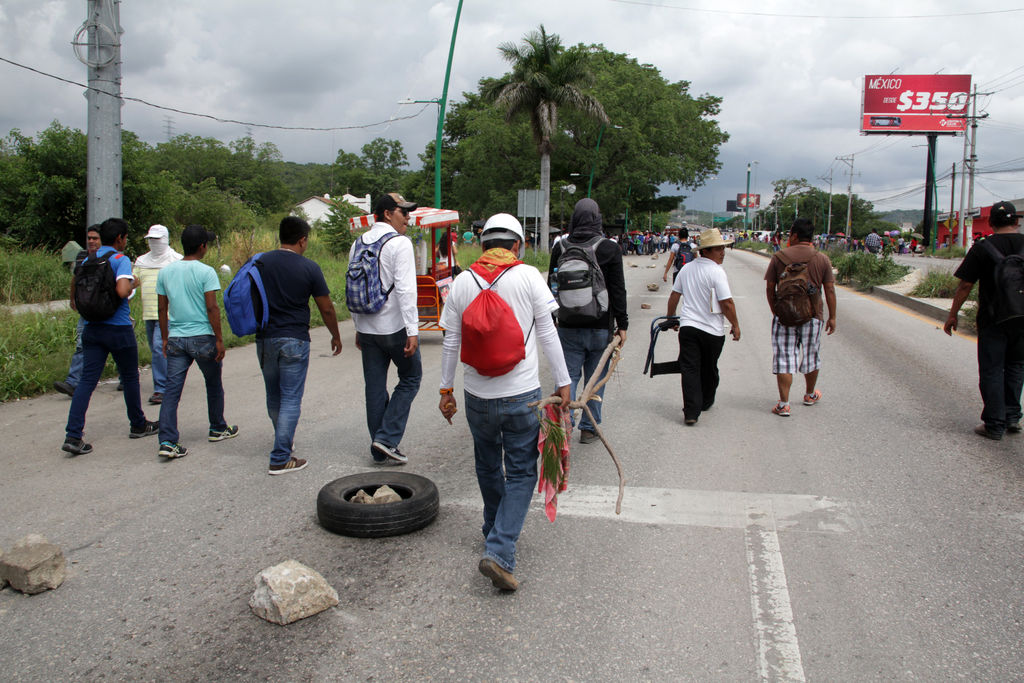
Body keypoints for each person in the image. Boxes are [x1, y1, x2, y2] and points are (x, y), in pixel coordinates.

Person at [438, 213, 571, 591]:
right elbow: (547, 332)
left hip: (477, 397)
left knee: (487, 464)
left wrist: (446, 391)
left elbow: (450, 342)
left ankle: (493, 528)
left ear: (483, 246)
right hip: (521, 397)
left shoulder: (462, 282)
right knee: (522, 472)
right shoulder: (529, 276)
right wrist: (563, 382)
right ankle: (499, 548)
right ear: (517, 245)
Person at [62, 218, 159, 455]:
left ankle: (73, 435)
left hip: (92, 328)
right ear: (119, 239)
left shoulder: (87, 260)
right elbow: (122, 291)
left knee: (86, 381)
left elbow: (75, 291)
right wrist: (133, 283)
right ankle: (137, 424)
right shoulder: (119, 259)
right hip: (118, 329)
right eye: (125, 238)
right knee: (129, 377)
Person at [257, 216, 342, 474]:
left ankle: (283, 440)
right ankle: (281, 456)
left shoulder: (260, 263)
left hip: (265, 338)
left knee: (274, 395)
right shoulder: (309, 268)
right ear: (303, 240)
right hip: (294, 338)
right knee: (291, 398)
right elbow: (326, 308)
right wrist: (336, 335)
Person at [155, 225, 238, 459]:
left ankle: (168, 441)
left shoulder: (166, 272)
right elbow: (212, 307)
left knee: (172, 391)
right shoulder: (206, 272)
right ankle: (217, 427)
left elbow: (162, 308)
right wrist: (219, 339)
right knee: (213, 383)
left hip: (176, 338)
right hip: (202, 337)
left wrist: (164, 337)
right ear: (202, 246)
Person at [350, 193, 421, 465]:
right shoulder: (399, 243)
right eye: (403, 212)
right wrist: (412, 330)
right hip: (394, 329)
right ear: (388, 214)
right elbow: (405, 289)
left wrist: (357, 326)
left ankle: (378, 447)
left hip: (367, 328)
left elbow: (353, 287)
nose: (408, 218)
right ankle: (387, 438)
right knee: (412, 377)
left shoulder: (357, 243)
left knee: (375, 387)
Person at [549, 198, 628, 443]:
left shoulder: (560, 247)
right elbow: (617, 290)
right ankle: (589, 427)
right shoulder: (609, 248)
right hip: (600, 326)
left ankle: (563, 424)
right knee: (595, 379)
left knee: (568, 377)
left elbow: (551, 286)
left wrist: (554, 316)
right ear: (597, 219)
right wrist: (622, 325)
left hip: (568, 325)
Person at [944, 201, 1024, 440]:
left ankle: (994, 423)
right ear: (1016, 222)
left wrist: (952, 314)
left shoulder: (982, 247)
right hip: (1023, 319)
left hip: (993, 318)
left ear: (990, 223)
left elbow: (966, 284)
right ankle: (1012, 416)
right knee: (1016, 366)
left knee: (992, 369)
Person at [666, 228, 741, 425]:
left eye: (723, 249)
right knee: (708, 368)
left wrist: (671, 317)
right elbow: (727, 303)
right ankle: (704, 402)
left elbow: (675, 295)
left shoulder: (686, 269)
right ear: (706, 251)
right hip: (712, 332)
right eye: (718, 249)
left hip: (689, 328)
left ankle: (692, 410)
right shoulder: (716, 271)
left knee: (690, 370)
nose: (722, 253)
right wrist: (735, 324)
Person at [765, 218, 838, 417]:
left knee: (784, 357)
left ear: (795, 235)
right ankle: (809, 394)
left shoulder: (778, 257)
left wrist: (777, 311)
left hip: (784, 316)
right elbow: (829, 290)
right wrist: (832, 317)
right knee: (811, 354)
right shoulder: (821, 259)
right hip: (812, 316)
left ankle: (784, 404)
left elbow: (770, 288)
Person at [133, 224, 183, 405]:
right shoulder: (141, 261)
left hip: (168, 314)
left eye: (157, 239)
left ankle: (161, 389)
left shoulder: (176, 260)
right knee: (160, 350)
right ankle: (171, 379)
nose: (154, 243)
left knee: (157, 347)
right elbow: (134, 282)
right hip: (149, 313)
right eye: (150, 240)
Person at [54, 224, 101, 397]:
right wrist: (72, 298)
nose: (91, 241)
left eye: (95, 238)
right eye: (89, 238)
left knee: (117, 347)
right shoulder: (82, 256)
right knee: (82, 344)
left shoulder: (108, 256)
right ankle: (72, 382)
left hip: (105, 309)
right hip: (86, 309)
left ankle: (126, 378)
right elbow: (75, 279)